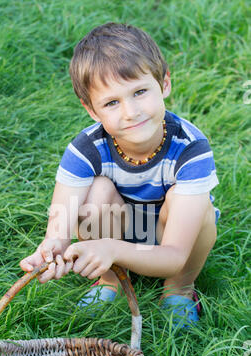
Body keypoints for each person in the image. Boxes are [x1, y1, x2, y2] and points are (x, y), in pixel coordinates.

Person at [20, 22, 220, 329]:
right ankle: (109, 281)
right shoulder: (85, 149)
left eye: (140, 92)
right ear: (91, 110)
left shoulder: (191, 148)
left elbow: (175, 254)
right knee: (97, 190)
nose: (131, 112)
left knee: (198, 206)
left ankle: (178, 289)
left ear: (164, 83)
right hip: (123, 227)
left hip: (176, 237)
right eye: (112, 102)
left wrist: (111, 248)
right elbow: (59, 226)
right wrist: (51, 250)